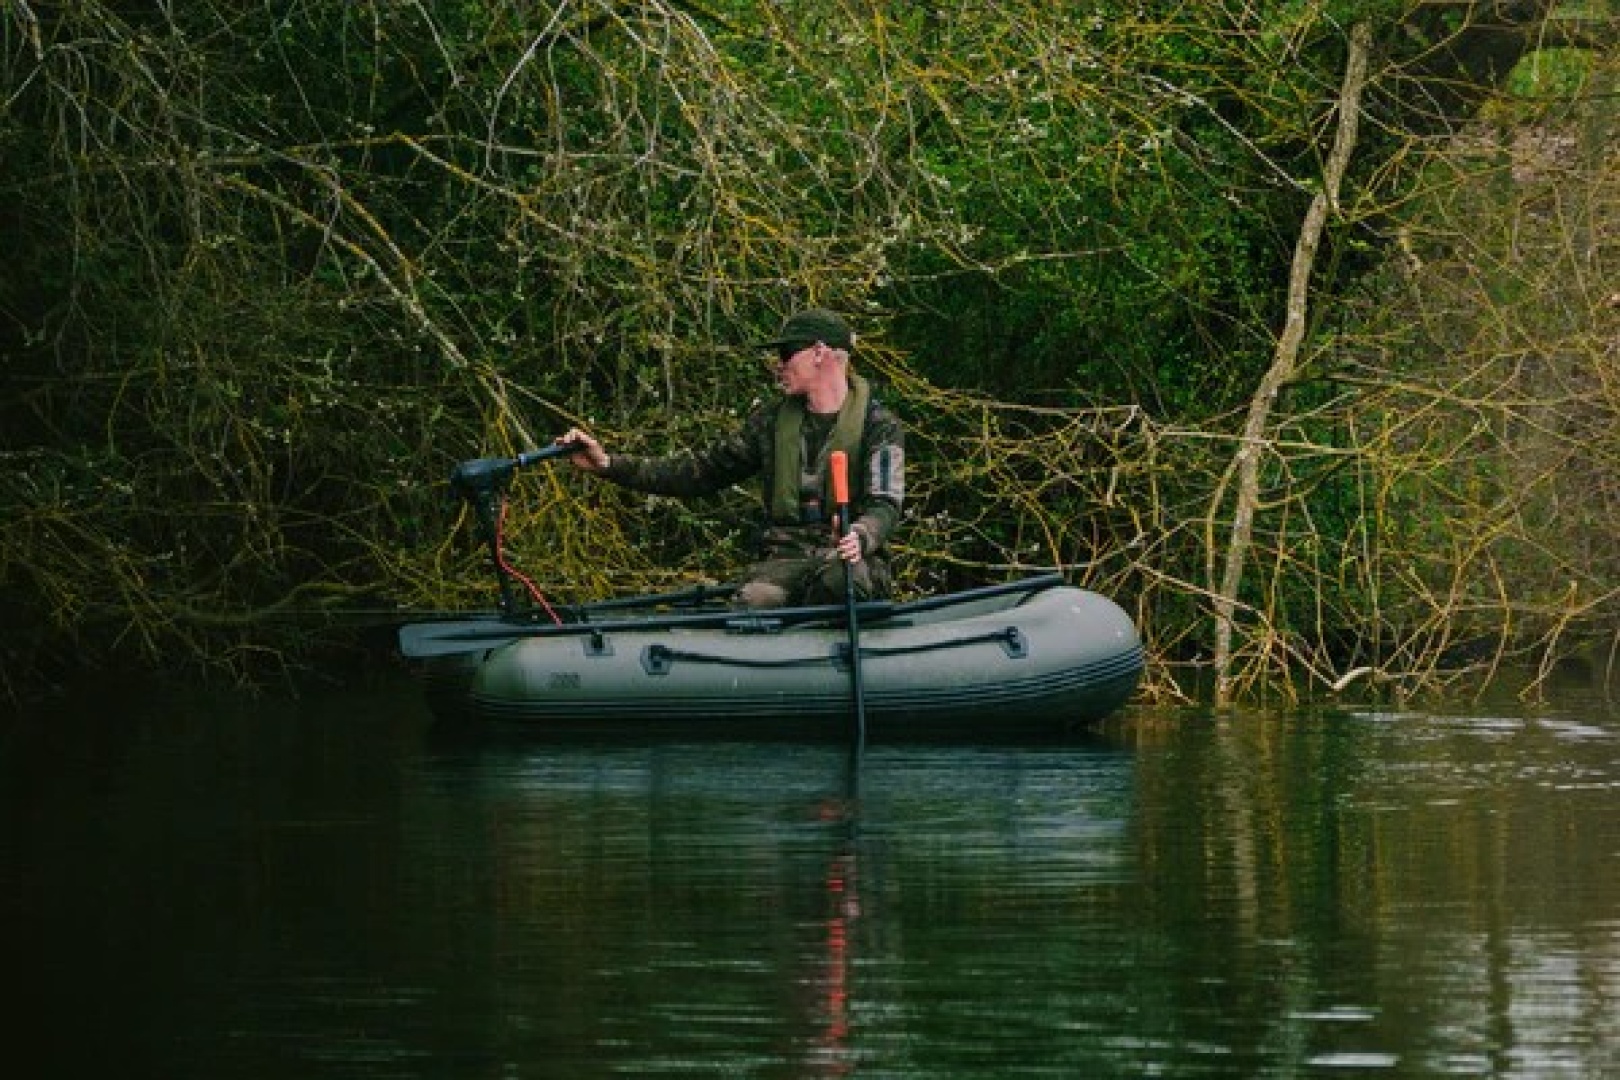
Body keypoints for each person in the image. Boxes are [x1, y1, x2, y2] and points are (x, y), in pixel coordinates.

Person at [558, 308, 904, 609]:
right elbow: (700, 471)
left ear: (819, 353)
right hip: (786, 558)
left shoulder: (879, 425)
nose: (778, 366)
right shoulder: (769, 423)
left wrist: (860, 535)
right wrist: (609, 464)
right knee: (755, 600)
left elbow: (885, 504)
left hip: (849, 558)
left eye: (786, 354)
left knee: (840, 584)